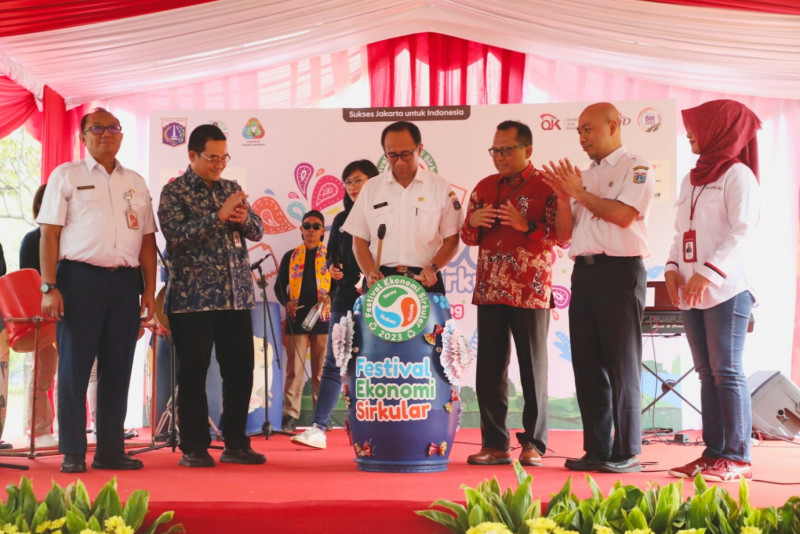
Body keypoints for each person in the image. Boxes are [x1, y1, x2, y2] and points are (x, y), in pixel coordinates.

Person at [38, 107, 157, 473]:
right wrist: (49, 286)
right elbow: (49, 234)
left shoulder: (135, 181)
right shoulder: (66, 175)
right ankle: (74, 451)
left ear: (121, 135)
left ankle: (110, 450)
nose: (106, 133)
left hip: (125, 284)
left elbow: (147, 241)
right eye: (97, 128)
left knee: (118, 369)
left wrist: (149, 291)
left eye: (113, 127)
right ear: (83, 137)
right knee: (74, 369)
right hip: (79, 281)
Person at [542, 102, 655, 474]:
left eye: (588, 129)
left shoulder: (635, 167)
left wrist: (580, 193)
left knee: (621, 363)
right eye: (579, 131)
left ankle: (628, 451)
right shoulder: (585, 176)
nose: (582, 137)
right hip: (585, 273)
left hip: (620, 271)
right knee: (587, 364)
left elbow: (623, 216)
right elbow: (564, 234)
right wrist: (564, 197)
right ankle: (597, 448)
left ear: (613, 126)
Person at [462, 121, 571, 467]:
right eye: (495, 150)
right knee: (490, 371)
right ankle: (495, 444)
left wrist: (527, 226)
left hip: (530, 290)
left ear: (528, 150)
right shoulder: (484, 187)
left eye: (507, 150)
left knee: (533, 369)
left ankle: (533, 444)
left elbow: (562, 237)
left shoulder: (547, 186)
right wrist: (473, 222)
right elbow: (466, 236)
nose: (499, 156)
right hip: (490, 289)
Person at [158, 123, 266, 468]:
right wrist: (218, 216)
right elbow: (175, 236)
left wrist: (243, 218)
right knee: (194, 372)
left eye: (224, 157)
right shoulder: (174, 192)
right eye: (213, 158)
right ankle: (194, 447)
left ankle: (236, 443)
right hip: (193, 300)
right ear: (192, 155)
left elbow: (258, 230)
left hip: (236, 296)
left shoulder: (231, 188)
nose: (220, 164)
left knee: (240, 370)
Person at [665, 100, 761, 483]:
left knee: (727, 371)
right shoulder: (691, 179)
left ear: (718, 130)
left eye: (696, 126)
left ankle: (738, 457)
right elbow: (681, 232)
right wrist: (672, 268)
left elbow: (743, 232)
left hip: (728, 290)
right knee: (706, 374)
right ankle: (714, 453)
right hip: (692, 291)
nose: (689, 133)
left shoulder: (739, 176)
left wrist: (708, 273)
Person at [292, 160, 378, 449]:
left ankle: (376, 427)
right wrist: (334, 267)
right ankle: (318, 428)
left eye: (358, 180)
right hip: (344, 297)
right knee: (333, 361)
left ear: (374, 181)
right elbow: (332, 254)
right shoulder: (342, 219)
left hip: (379, 297)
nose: (352, 187)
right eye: (348, 182)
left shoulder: (385, 213)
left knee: (374, 362)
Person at [342, 121, 462, 293]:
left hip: (424, 277)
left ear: (419, 150)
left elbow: (452, 239)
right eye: (392, 155)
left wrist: (434, 267)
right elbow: (359, 240)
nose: (399, 162)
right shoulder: (372, 188)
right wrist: (369, 273)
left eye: (405, 155)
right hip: (381, 280)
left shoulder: (439, 187)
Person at [274, 210, 331, 433]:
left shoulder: (331, 256)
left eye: (316, 226)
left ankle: (320, 419)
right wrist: (286, 302)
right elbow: (279, 286)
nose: (311, 230)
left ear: (323, 231)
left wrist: (330, 298)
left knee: (321, 372)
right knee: (294, 370)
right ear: (301, 229)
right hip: (297, 318)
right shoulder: (291, 256)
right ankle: (290, 416)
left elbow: (340, 285)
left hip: (323, 318)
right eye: (307, 226)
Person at [19, 184, 59, 448]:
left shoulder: (72, 239)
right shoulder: (31, 240)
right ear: (39, 206)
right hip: (41, 315)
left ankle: (73, 427)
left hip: (71, 313)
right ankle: (38, 430)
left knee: (74, 374)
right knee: (42, 373)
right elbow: (27, 280)